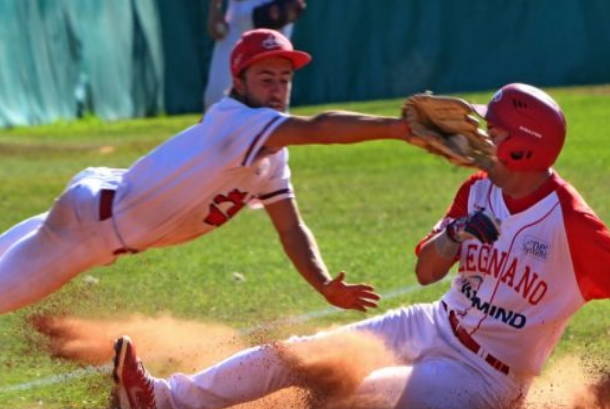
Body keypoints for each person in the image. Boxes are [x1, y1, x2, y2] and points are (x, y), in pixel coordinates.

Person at [112, 83, 610, 409]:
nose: (477, 138)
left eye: (493, 133)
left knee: (356, 397)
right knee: (300, 354)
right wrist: (455, 234)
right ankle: (161, 401)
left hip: (484, 379)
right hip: (430, 323)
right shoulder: (477, 190)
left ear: (523, 150)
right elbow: (425, 271)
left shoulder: (573, 226)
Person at [0, 28, 424, 315]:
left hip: (100, 200)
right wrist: (396, 128)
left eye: (284, 79)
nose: (277, 89)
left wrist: (323, 283)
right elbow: (320, 129)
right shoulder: (239, 120)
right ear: (239, 81)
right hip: (92, 231)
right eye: (265, 78)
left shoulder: (270, 150)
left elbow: (291, 229)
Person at [204, 0, 305, 110]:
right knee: (216, 98)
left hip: (271, 35)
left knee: (273, 97)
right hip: (235, 33)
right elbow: (217, 29)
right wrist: (215, 7)